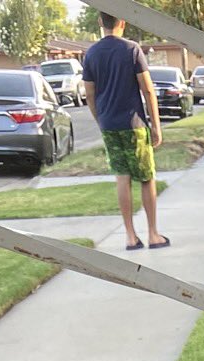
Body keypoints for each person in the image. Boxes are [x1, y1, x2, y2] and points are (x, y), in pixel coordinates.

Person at [81, 13, 169, 251]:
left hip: (109, 124)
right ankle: (153, 234)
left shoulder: (91, 54)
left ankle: (130, 236)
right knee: (146, 177)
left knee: (122, 176)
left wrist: (101, 119)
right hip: (134, 124)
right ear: (123, 22)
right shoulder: (132, 50)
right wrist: (156, 126)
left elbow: (89, 94)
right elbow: (148, 91)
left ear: (100, 22)